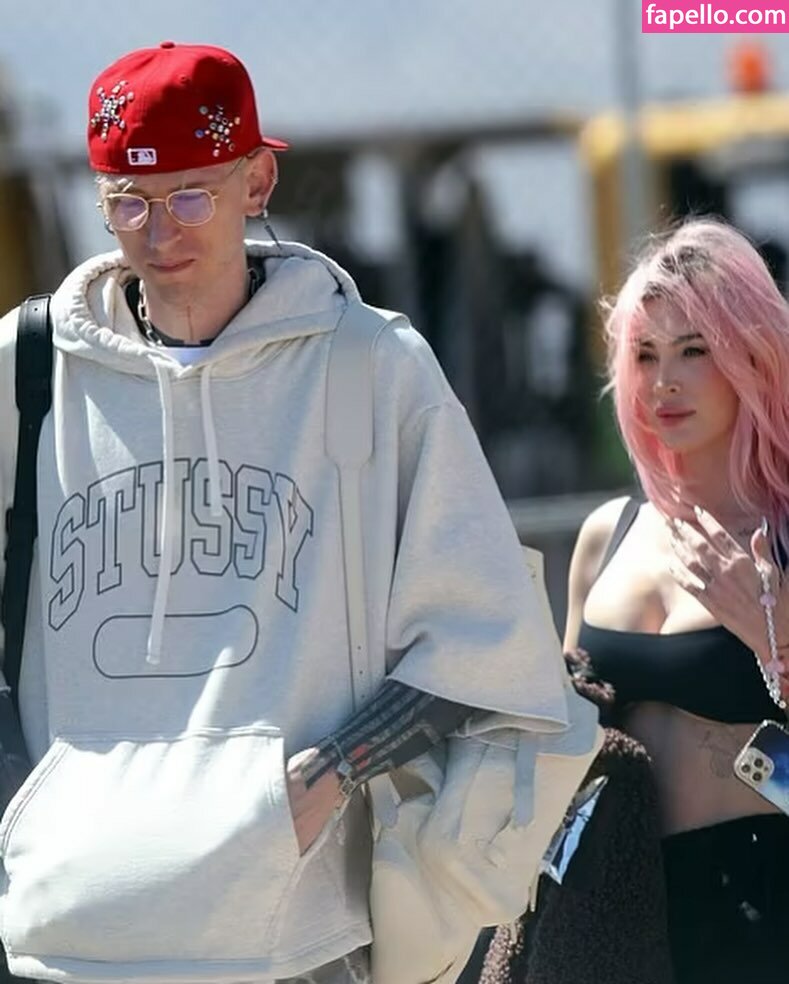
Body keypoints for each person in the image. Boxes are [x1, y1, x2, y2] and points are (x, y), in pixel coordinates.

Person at [0, 42, 574, 984]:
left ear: (256, 181)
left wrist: (320, 781)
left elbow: (485, 642)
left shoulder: (369, 366)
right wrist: (24, 812)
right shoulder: (28, 372)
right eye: (128, 202)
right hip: (66, 931)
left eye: (191, 196)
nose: (158, 232)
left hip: (294, 935)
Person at [562, 218, 789, 983]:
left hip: (764, 900)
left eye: (694, 350)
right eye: (644, 354)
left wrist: (774, 640)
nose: (664, 380)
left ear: (750, 355)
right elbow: (560, 742)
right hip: (616, 908)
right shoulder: (606, 534)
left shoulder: (780, 535)